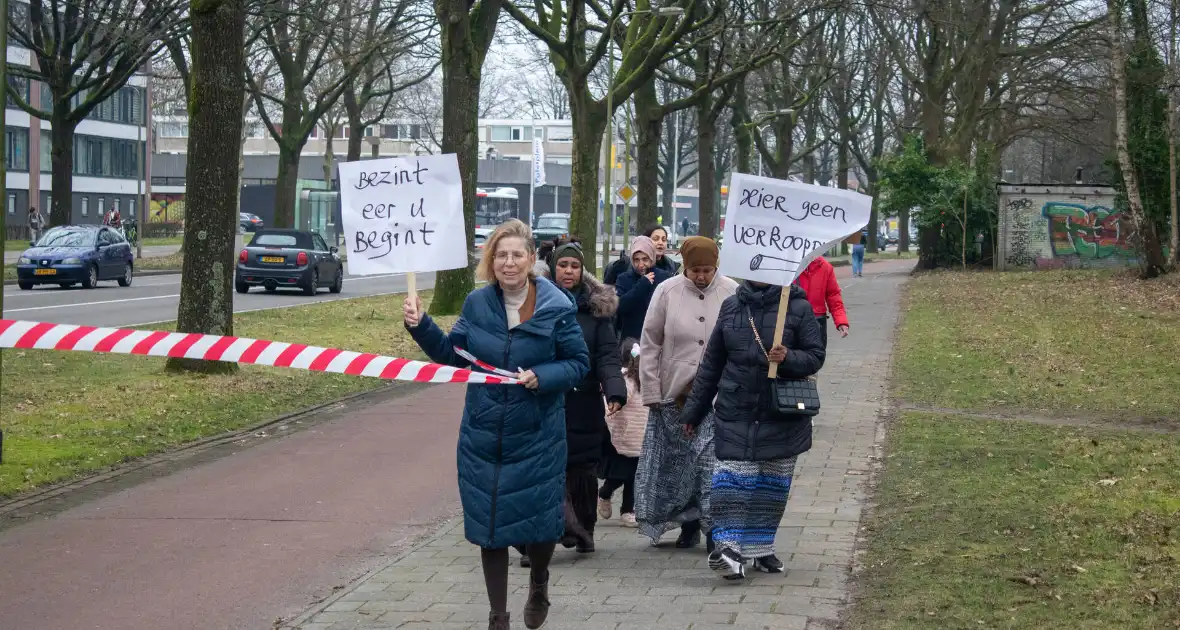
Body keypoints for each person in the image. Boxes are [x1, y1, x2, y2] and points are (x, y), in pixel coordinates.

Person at [403, 219, 591, 630]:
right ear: (492, 260)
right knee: (490, 528)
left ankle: (539, 582)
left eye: (517, 255)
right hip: (484, 436)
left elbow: (578, 363)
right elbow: (453, 357)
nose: (509, 263)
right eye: (501, 255)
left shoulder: (556, 307)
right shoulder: (477, 304)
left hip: (537, 434)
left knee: (540, 524)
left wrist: (544, 376)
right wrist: (422, 325)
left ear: (531, 259)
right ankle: (497, 617)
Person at [680, 280, 826, 581]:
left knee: (771, 485)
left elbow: (815, 355)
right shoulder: (732, 307)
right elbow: (712, 362)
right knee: (731, 479)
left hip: (781, 413)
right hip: (736, 409)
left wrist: (788, 358)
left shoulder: (798, 307)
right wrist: (694, 411)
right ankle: (729, 550)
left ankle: (761, 548)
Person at [634, 236, 739, 549]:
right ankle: (689, 521)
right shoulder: (666, 291)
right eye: (695, 270)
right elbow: (650, 342)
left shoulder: (733, 291)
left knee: (710, 463)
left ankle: (713, 528)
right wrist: (651, 389)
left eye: (707, 269)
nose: (702, 276)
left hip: (719, 395)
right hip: (675, 394)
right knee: (679, 465)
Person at [536, 241, 626, 557]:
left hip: (584, 400)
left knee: (583, 468)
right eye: (563, 265)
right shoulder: (534, 303)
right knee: (548, 466)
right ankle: (554, 528)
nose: (569, 271)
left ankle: (583, 528)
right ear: (553, 268)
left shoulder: (595, 309)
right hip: (546, 397)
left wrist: (615, 389)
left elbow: (606, 354)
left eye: (575, 266)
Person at [597, 338, 648, 528]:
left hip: (639, 435)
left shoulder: (645, 378)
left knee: (634, 475)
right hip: (626, 435)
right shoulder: (626, 379)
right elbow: (617, 398)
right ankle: (605, 493)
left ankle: (628, 510)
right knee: (621, 474)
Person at [613, 236, 672, 341]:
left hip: (658, 338)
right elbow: (619, 306)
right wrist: (642, 285)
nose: (641, 265)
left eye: (645, 259)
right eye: (636, 260)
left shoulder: (664, 277)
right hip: (631, 339)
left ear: (652, 257)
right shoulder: (624, 278)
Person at [793, 256, 849, 349]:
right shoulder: (787, 266)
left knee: (816, 358)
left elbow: (833, 295)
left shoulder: (825, 266)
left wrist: (841, 321)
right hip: (791, 321)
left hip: (817, 321)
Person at [603, 225, 681, 284]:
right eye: (655, 239)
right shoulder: (623, 266)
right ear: (645, 241)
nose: (660, 243)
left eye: (664, 240)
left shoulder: (672, 268)